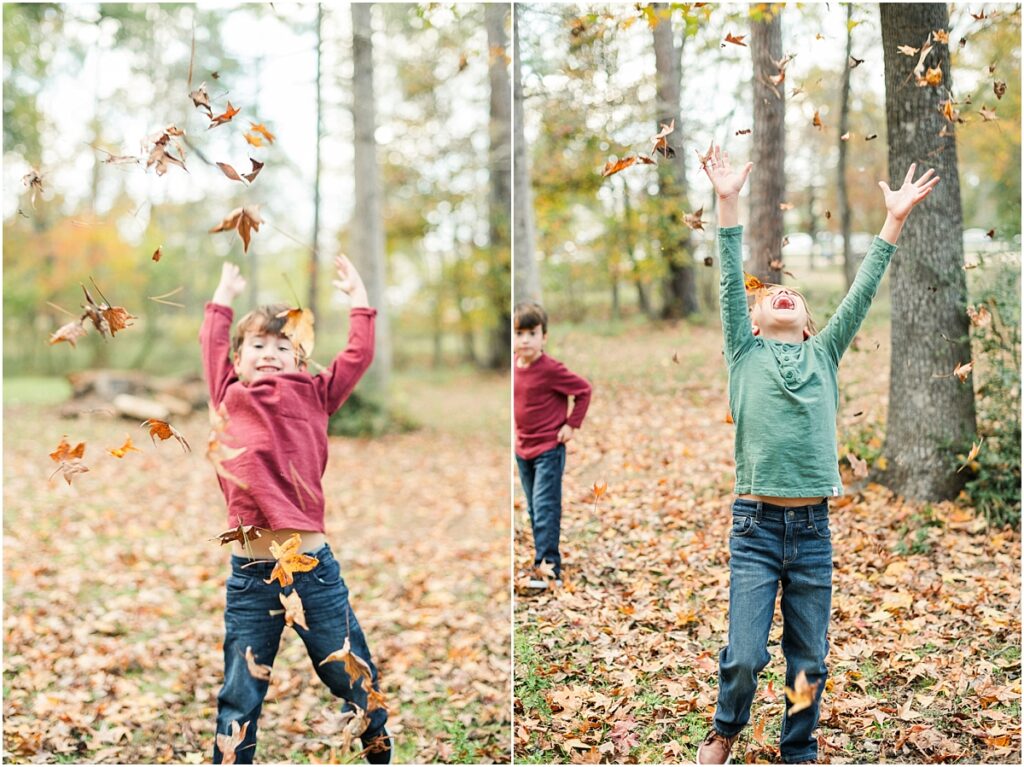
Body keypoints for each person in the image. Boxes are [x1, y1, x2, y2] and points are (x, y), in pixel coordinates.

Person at [696, 146, 939, 765]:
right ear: (750, 323)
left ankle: (797, 748)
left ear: (807, 324)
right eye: (770, 293)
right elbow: (730, 276)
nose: (781, 294)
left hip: (811, 533)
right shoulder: (743, 353)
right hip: (753, 529)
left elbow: (861, 290)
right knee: (746, 655)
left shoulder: (823, 354)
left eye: (792, 296)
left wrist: (894, 221)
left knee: (808, 660)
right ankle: (726, 727)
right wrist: (727, 200)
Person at [201, 256, 391, 764]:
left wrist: (359, 298)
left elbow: (357, 354)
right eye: (257, 346)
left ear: (301, 360)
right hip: (252, 574)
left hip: (312, 573)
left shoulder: (315, 393)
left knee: (347, 670)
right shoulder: (229, 394)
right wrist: (222, 297)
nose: (269, 354)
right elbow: (211, 346)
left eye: (283, 346)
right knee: (240, 690)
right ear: (238, 360)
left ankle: (376, 739)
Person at [513, 301, 593, 590]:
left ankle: (549, 570)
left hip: (548, 449)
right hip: (522, 450)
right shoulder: (513, 367)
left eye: (532, 333)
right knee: (534, 509)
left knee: (545, 508)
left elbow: (583, 390)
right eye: (519, 333)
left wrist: (571, 424)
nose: (525, 340)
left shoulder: (550, 369)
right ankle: (541, 560)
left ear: (543, 337)